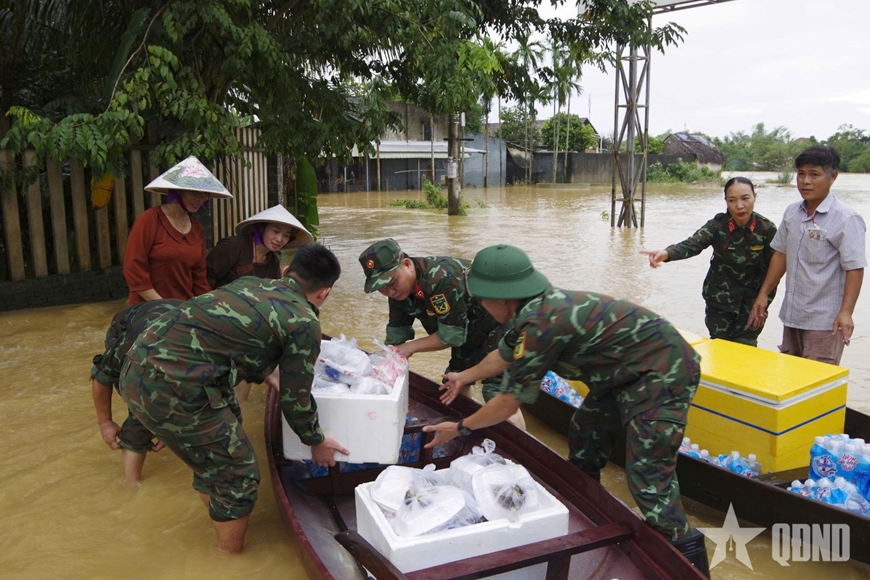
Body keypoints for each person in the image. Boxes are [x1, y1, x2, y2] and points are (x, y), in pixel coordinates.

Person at [423, 244, 709, 577]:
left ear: (501, 298)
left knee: (648, 478)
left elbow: (506, 403)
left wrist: (459, 427)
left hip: (663, 372)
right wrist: (463, 377)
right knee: (585, 434)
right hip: (622, 375)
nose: (482, 307)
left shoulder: (541, 324)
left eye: (482, 299)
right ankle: (585, 513)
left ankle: (688, 564)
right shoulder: (529, 311)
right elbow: (502, 357)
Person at [118, 244, 349, 553]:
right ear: (324, 293)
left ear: (284, 272)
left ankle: (219, 528)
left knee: (222, 452)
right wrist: (316, 441)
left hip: (133, 368)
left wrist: (270, 373)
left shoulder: (248, 283)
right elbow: (296, 400)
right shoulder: (304, 321)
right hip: (177, 387)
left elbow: (232, 338)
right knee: (239, 478)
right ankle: (229, 560)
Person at [358, 239, 521, 426]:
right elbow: (397, 335)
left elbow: (450, 336)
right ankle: (464, 429)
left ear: (407, 264)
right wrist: (382, 372)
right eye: (381, 288)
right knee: (454, 385)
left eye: (392, 282)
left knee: (497, 392)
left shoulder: (441, 277)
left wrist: (410, 348)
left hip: (500, 325)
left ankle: (520, 453)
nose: (389, 291)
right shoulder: (398, 293)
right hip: (469, 333)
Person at [748, 145, 866, 365]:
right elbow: (781, 254)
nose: (805, 181)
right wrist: (763, 294)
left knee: (817, 387)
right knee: (791, 382)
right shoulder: (792, 212)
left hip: (825, 323)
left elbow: (855, 268)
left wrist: (846, 312)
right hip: (792, 316)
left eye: (814, 174)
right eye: (801, 174)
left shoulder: (846, 219)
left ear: (833, 177)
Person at [639, 177, 777, 346]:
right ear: (726, 201)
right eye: (732, 200)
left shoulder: (767, 229)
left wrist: (764, 299)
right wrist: (666, 253)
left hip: (752, 304)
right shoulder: (717, 226)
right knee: (719, 349)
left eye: (745, 198)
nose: (739, 206)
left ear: (755, 196)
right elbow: (693, 244)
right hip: (719, 302)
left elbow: (776, 268)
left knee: (746, 350)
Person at [207, 204, 314, 402]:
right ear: (262, 228)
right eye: (275, 231)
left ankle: (236, 418)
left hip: (244, 330)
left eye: (285, 235)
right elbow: (204, 280)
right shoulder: (233, 247)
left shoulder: (272, 263)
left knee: (244, 376)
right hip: (214, 322)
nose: (279, 239)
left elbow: (270, 302)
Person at [91, 299, 181, 482]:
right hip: (127, 325)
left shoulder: (205, 353)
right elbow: (101, 377)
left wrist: (170, 428)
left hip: (174, 321)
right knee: (140, 403)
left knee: (163, 399)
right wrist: (105, 423)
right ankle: (130, 482)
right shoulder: (131, 346)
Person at [123, 156, 233, 305]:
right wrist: (164, 307)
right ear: (178, 192)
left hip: (184, 309)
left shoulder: (197, 229)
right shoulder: (149, 220)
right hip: (148, 310)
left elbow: (199, 277)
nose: (200, 199)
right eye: (194, 192)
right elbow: (135, 271)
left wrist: (207, 307)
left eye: (204, 194)